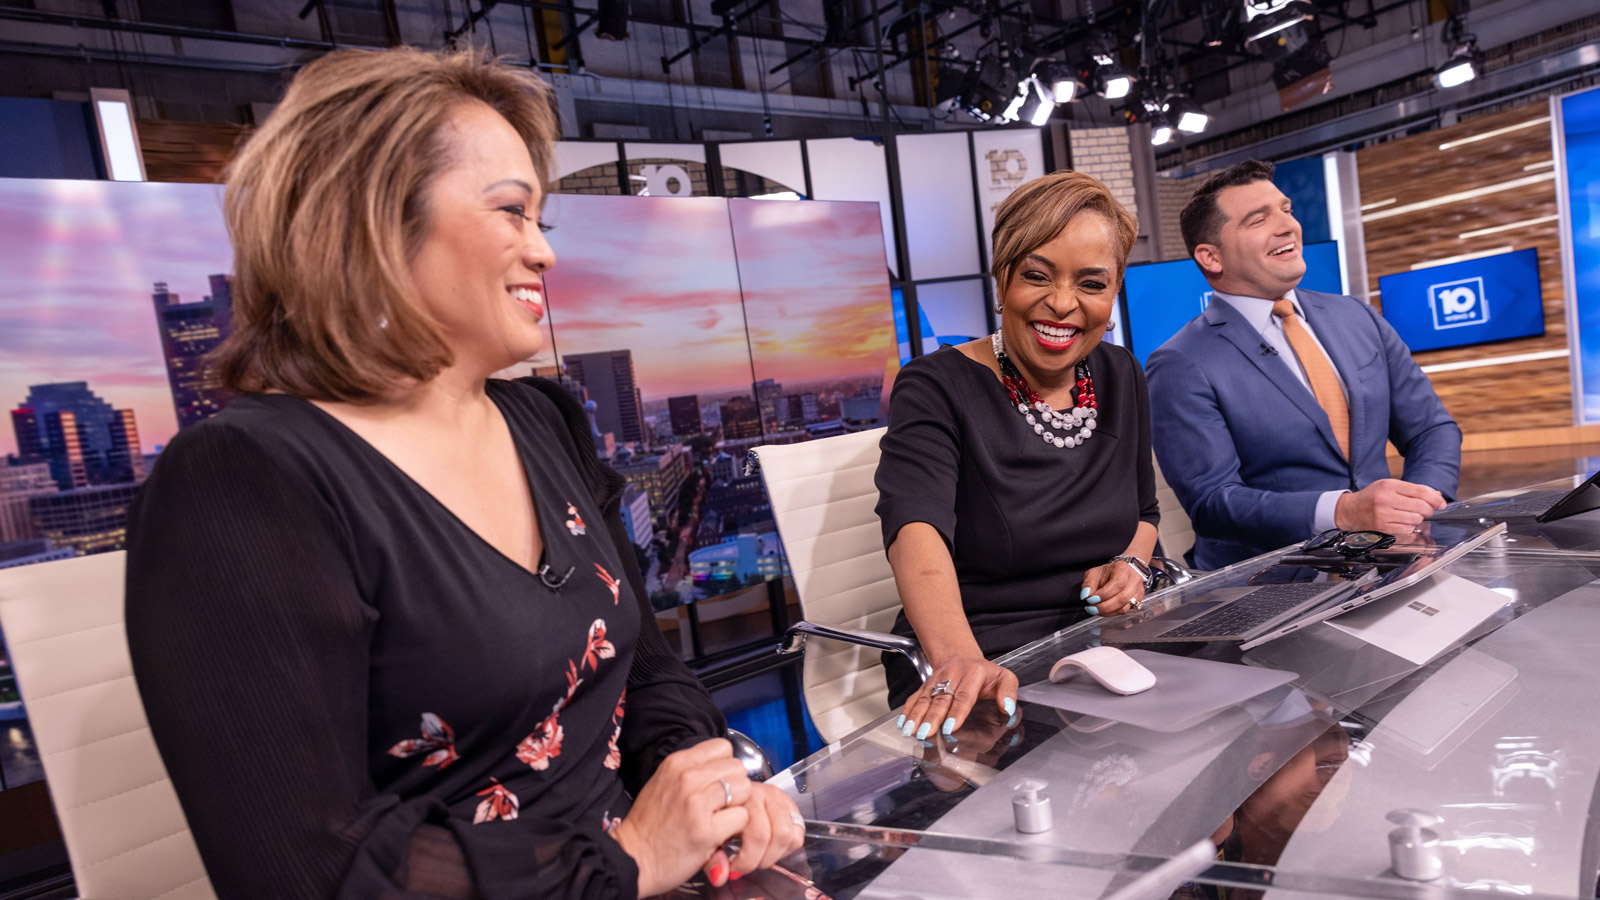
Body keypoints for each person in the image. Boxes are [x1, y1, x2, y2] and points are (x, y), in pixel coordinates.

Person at [124, 47, 801, 900]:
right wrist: (626, 862)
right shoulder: (246, 481)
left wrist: (699, 784)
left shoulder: (544, 420)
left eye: (540, 219)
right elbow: (308, 873)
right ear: (371, 223)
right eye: (512, 213)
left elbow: (646, 668)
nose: (543, 253)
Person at [874, 171, 1160, 742]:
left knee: (1237, 763)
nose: (1062, 303)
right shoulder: (935, 384)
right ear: (1001, 280)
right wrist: (959, 657)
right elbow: (915, 529)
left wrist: (1131, 565)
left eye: (1091, 283)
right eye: (1036, 275)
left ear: (1113, 293)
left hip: (1113, 646)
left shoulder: (1121, 372)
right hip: (991, 652)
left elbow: (1145, 514)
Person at [1145, 160, 1462, 571]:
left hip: (1396, 560)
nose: (1287, 226)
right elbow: (1212, 503)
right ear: (1211, 257)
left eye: (1287, 210)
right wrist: (1344, 512)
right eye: (1259, 219)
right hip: (1270, 585)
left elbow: (1432, 430)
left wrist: (1415, 509)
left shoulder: (1357, 317)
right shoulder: (1179, 362)